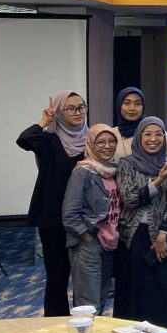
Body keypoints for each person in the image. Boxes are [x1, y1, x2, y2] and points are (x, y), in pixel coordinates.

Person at [17, 91, 88, 316]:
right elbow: (24, 139)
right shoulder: (48, 140)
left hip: (83, 218)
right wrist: (44, 121)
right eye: (70, 108)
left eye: (81, 107)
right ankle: (56, 323)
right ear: (59, 112)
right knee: (57, 276)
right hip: (53, 218)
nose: (78, 112)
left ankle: (85, 322)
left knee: (85, 275)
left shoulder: (90, 140)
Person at [114, 117, 167, 331]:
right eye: (148, 134)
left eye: (158, 134)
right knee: (134, 289)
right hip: (133, 237)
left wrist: (163, 235)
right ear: (139, 137)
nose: (153, 139)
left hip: (163, 238)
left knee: (163, 290)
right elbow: (130, 198)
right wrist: (159, 180)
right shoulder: (126, 163)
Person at [61, 123, 119, 314]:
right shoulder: (82, 172)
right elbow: (69, 213)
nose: (107, 146)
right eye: (100, 142)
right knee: (88, 303)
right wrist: (86, 237)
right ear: (91, 144)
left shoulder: (113, 171)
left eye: (111, 141)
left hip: (109, 243)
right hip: (88, 243)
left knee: (101, 299)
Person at [112, 87, 146, 160]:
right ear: (119, 106)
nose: (132, 108)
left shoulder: (155, 133)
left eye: (138, 104)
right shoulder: (111, 134)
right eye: (127, 103)